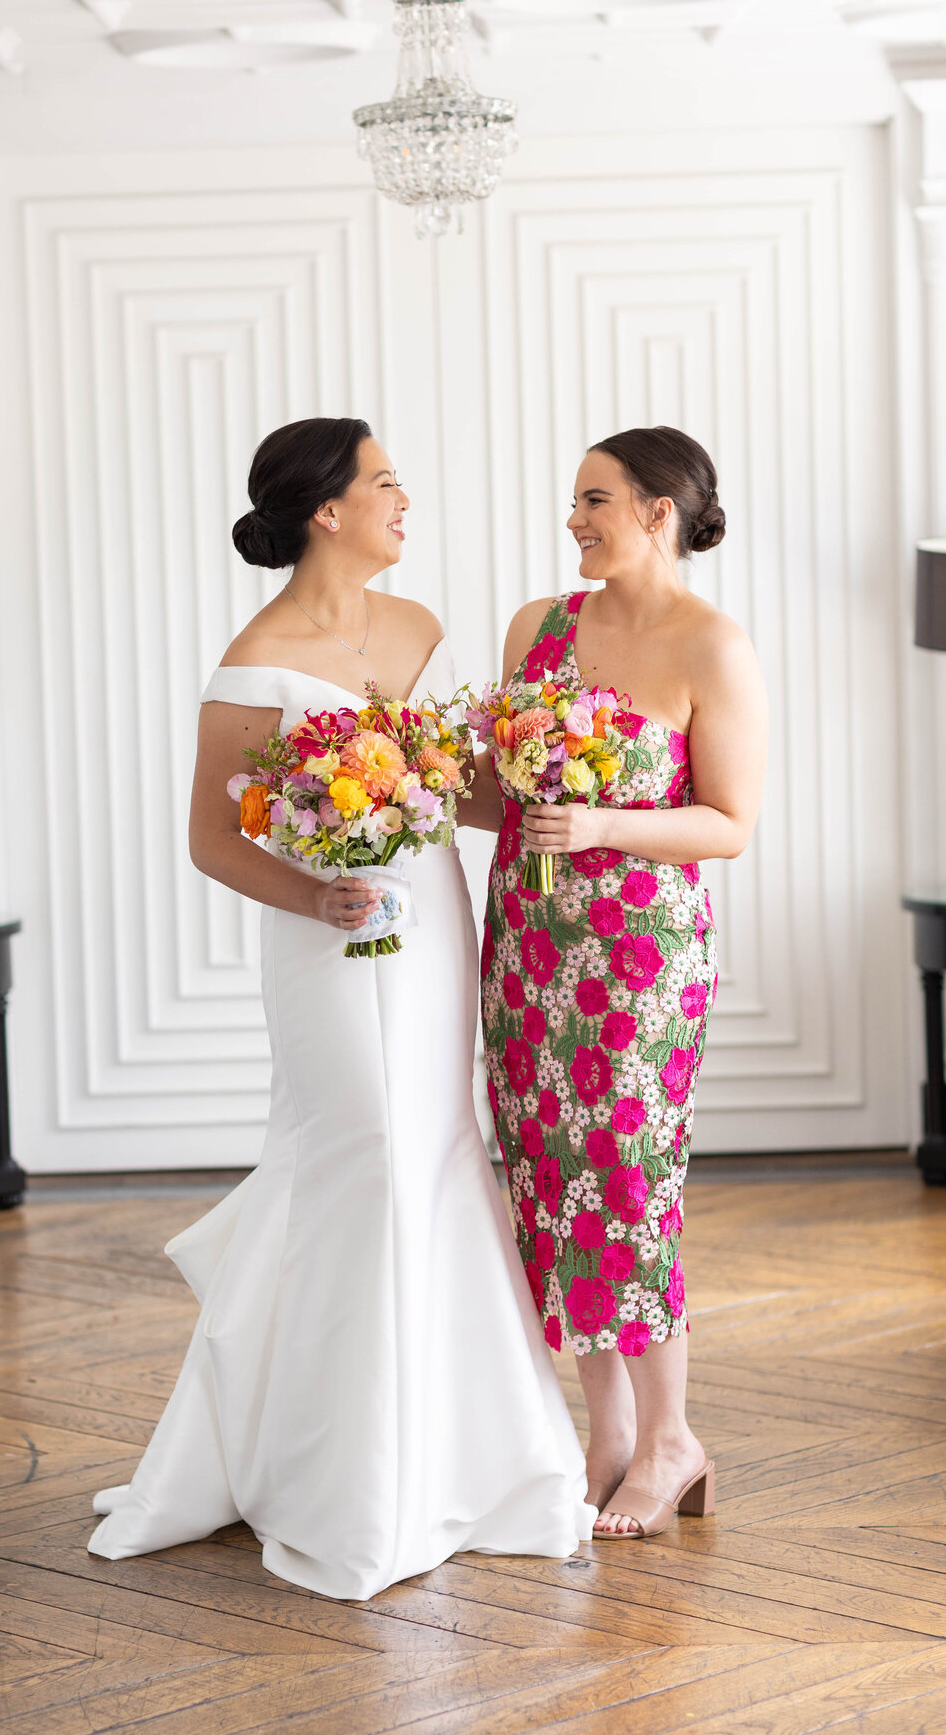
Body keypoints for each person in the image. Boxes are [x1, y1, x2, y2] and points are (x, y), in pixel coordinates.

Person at [88, 416, 593, 1598]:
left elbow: (459, 798)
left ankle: (470, 1457)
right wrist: (316, 899)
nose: (404, 501)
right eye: (385, 484)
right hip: (328, 940)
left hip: (432, 921)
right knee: (360, 1152)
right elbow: (214, 840)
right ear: (328, 510)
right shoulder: (254, 659)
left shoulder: (419, 629)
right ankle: (338, 1472)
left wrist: (565, 783)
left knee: (436, 1147)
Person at [476, 426, 768, 1539]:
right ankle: (605, 1436)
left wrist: (602, 821)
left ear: (658, 510)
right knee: (551, 1180)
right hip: (528, 945)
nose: (574, 520)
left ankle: (673, 1439)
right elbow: (505, 798)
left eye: (594, 499)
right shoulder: (537, 629)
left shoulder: (714, 647)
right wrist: (388, 789)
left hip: (640, 963)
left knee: (629, 1184)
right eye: (573, 500)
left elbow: (732, 825)